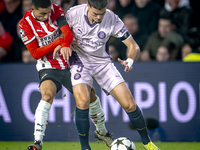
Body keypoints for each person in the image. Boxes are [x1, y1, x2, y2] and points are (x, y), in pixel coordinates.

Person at [61, 0, 160, 149]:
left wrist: (131, 60)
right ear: (88, 7)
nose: (99, 18)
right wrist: (66, 41)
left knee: (130, 104)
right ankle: (85, 147)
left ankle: (147, 143)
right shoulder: (73, 14)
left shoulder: (112, 18)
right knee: (82, 103)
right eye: (95, 14)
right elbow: (57, 33)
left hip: (103, 65)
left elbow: (134, 46)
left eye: (102, 14)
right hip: (80, 63)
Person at [18, 0, 113, 150]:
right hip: (48, 66)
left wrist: (64, 43)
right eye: (42, 14)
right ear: (32, 9)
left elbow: (68, 32)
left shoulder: (56, 10)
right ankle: (37, 142)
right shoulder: (25, 24)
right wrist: (59, 42)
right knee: (47, 95)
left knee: (91, 96)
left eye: (48, 12)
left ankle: (102, 132)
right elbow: (35, 53)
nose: (46, 16)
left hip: (70, 63)